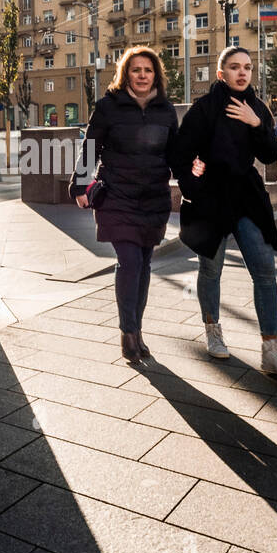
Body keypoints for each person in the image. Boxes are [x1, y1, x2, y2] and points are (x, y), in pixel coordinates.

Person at [171, 46, 277, 375]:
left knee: (264, 270)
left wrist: (257, 123)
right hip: (210, 199)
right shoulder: (204, 109)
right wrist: (192, 187)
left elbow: (271, 154)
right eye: (234, 67)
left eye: (247, 67)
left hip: (247, 198)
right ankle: (213, 331)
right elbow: (179, 154)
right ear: (221, 74)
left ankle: (271, 348)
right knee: (211, 270)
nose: (242, 73)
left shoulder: (257, 107)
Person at [70, 46, 197, 363]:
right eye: (136, 69)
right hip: (117, 196)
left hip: (153, 197)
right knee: (129, 262)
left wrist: (192, 179)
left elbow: (174, 155)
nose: (142, 75)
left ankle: (136, 329)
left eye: (148, 70)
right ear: (125, 73)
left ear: (156, 75)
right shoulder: (108, 107)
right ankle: (128, 333)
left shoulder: (165, 110)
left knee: (144, 265)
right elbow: (90, 149)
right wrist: (79, 184)